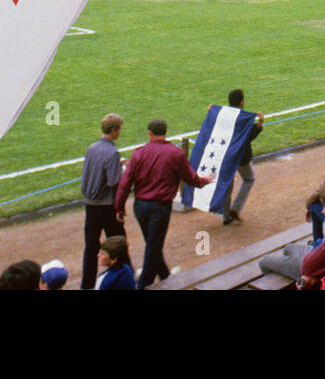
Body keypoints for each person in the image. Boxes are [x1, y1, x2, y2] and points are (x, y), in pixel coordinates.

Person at [114, 119, 212, 290]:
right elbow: (190, 178)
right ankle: (144, 285)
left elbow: (125, 183)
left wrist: (119, 207)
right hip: (160, 208)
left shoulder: (139, 153)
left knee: (153, 244)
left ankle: (165, 275)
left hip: (140, 206)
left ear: (150, 133)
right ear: (165, 132)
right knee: (153, 246)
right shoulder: (176, 153)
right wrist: (206, 180)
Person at [80, 113, 126, 289]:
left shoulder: (92, 148)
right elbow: (114, 182)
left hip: (90, 205)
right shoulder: (113, 152)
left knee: (91, 246)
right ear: (114, 130)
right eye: (119, 128)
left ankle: (87, 284)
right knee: (118, 244)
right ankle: (124, 279)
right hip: (106, 205)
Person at [222, 88, 264, 226]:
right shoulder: (244, 118)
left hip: (226, 155)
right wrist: (259, 124)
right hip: (241, 156)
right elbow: (248, 136)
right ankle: (235, 208)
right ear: (241, 102)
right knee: (249, 179)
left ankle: (225, 215)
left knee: (228, 183)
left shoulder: (223, 115)